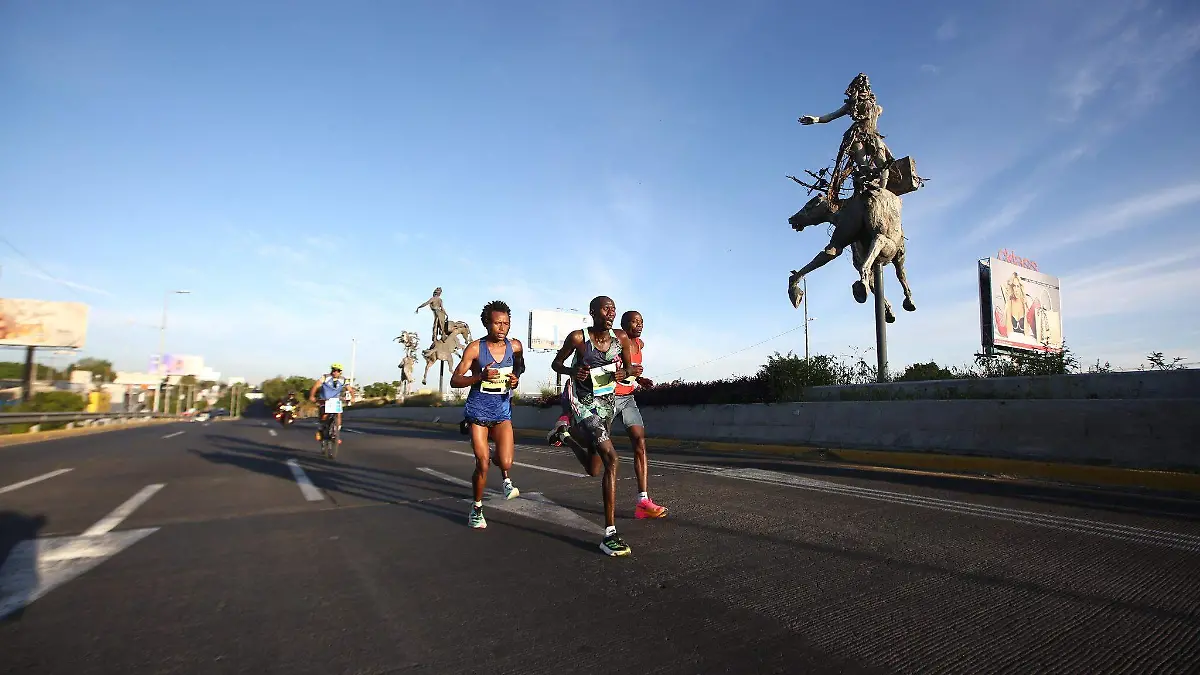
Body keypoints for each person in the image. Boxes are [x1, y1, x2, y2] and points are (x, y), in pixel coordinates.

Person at [547, 310, 667, 520]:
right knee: (594, 468)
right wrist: (576, 374)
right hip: (602, 401)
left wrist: (637, 378)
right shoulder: (607, 339)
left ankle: (643, 500)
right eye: (634, 322)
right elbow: (601, 366)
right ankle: (566, 436)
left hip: (626, 398)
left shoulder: (638, 345)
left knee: (639, 441)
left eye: (641, 322)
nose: (639, 325)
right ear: (622, 324)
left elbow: (625, 369)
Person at [551, 295, 639, 557]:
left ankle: (564, 438)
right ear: (593, 312)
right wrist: (571, 372)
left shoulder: (620, 338)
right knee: (612, 460)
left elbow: (630, 368)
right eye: (606, 308)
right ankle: (609, 534)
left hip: (607, 405)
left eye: (614, 308)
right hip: (584, 406)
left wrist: (626, 373)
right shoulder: (579, 339)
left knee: (593, 468)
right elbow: (556, 363)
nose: (611, 312)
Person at [450, 300, 524, 529]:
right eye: (497, 323)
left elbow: (519, 366)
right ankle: (477, 507)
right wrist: (478, 377)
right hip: (478, 410)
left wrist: (516, 378)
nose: (502, 328)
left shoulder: (515, 346)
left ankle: (498, 462)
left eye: (506, 323)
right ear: (487, 324)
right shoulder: (474, 348)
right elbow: (455, 380)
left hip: (502, 410)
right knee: (482, 464)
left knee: (505, 461)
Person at [308, 364, 353, 443]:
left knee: (338, 414)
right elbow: (315, 386)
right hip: (324, 399)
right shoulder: (325, 377)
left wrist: (352, 397)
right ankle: (321, 428)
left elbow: (350, 389)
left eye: (338, 371)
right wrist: (312, 396)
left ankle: (336, 433)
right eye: (334, 370)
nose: (335, 372)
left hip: (335, 400)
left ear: (340, 372)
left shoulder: (344, 380)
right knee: (324, 415)